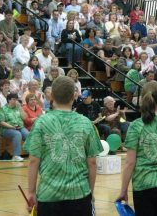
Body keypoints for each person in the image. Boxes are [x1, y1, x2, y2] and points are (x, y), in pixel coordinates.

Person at [24, 76, 103, 215]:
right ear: (74, 96)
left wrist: (31, 192)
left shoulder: (41, 122)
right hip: (80, 195)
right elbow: (92, 162)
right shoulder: (86, 123)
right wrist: (90, 192)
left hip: (49, 197)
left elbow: (33, 160)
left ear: (52, 96)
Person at [116, 81, 157, 216]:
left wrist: (123, 190)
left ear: (142, 98)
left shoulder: (136, 126)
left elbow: (130, 163)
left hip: (142, 184)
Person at [0, 93, 29, 161]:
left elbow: (24, 118)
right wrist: (12, 127)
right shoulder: (3, 109)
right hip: (7, 129)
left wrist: (20, 107)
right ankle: (16, 156)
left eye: (16, 99)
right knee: (17, 134)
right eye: (14, 99)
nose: (16, 101)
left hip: (20, 127)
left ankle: (32, 154)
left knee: (28, 134)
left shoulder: (18, 108)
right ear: (9, 100)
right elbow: (1, 122)